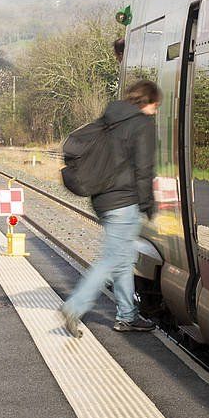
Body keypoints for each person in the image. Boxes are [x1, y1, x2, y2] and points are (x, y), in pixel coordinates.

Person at [61, 79, 160, 337]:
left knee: (123, 258)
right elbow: (144, 168)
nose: (156, 111)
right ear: (147, 102)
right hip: (123, 202)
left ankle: (127, 316)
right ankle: (75, 306)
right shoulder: (142, 124)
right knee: (113, 258)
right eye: (155, 105)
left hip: (102, 200)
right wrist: (148, 203)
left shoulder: (109, 120)